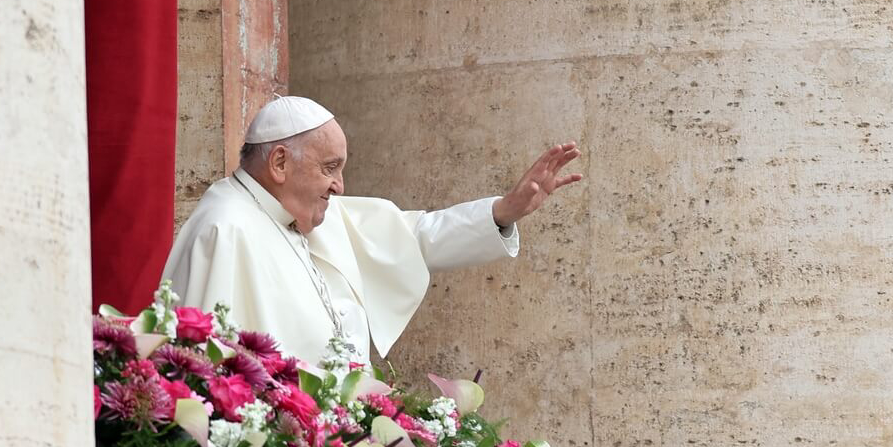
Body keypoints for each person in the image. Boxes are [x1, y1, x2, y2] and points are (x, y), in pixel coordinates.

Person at [162, 96, 582, 366]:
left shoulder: (315, 214)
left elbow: (417, 236)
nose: (339, 186)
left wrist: (504, 211)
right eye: (330, 169)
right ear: (279, 163)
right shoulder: (224, 228)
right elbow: (199, 366)